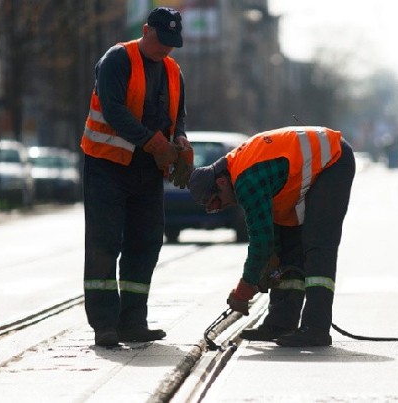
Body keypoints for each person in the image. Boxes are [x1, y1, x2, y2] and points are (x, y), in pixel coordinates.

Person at [80, 7, 193, 347]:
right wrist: (152, 141)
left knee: (145, 243)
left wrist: (181, 141)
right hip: (107, 166)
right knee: (104, 244)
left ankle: (133, 321)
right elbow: (113, 109)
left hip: (147, 171)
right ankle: (104, 324)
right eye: (161, 41)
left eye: (172, 44)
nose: (166, 50)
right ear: (146, 30)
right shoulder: (117, 59)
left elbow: (179, 117)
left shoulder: (173, 70)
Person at [187, 127, 355, 347]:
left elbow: (260, 244)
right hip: (300, 177)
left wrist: (244, 289)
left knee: (317, 246)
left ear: (220, 183)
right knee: (287, 248)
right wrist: (269, 262)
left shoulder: (246, 181)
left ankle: (316, 328)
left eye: (215, 203)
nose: (219, 208)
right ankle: (281, 322)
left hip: (333, 161)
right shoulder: (235, 170)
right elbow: (270, 240)